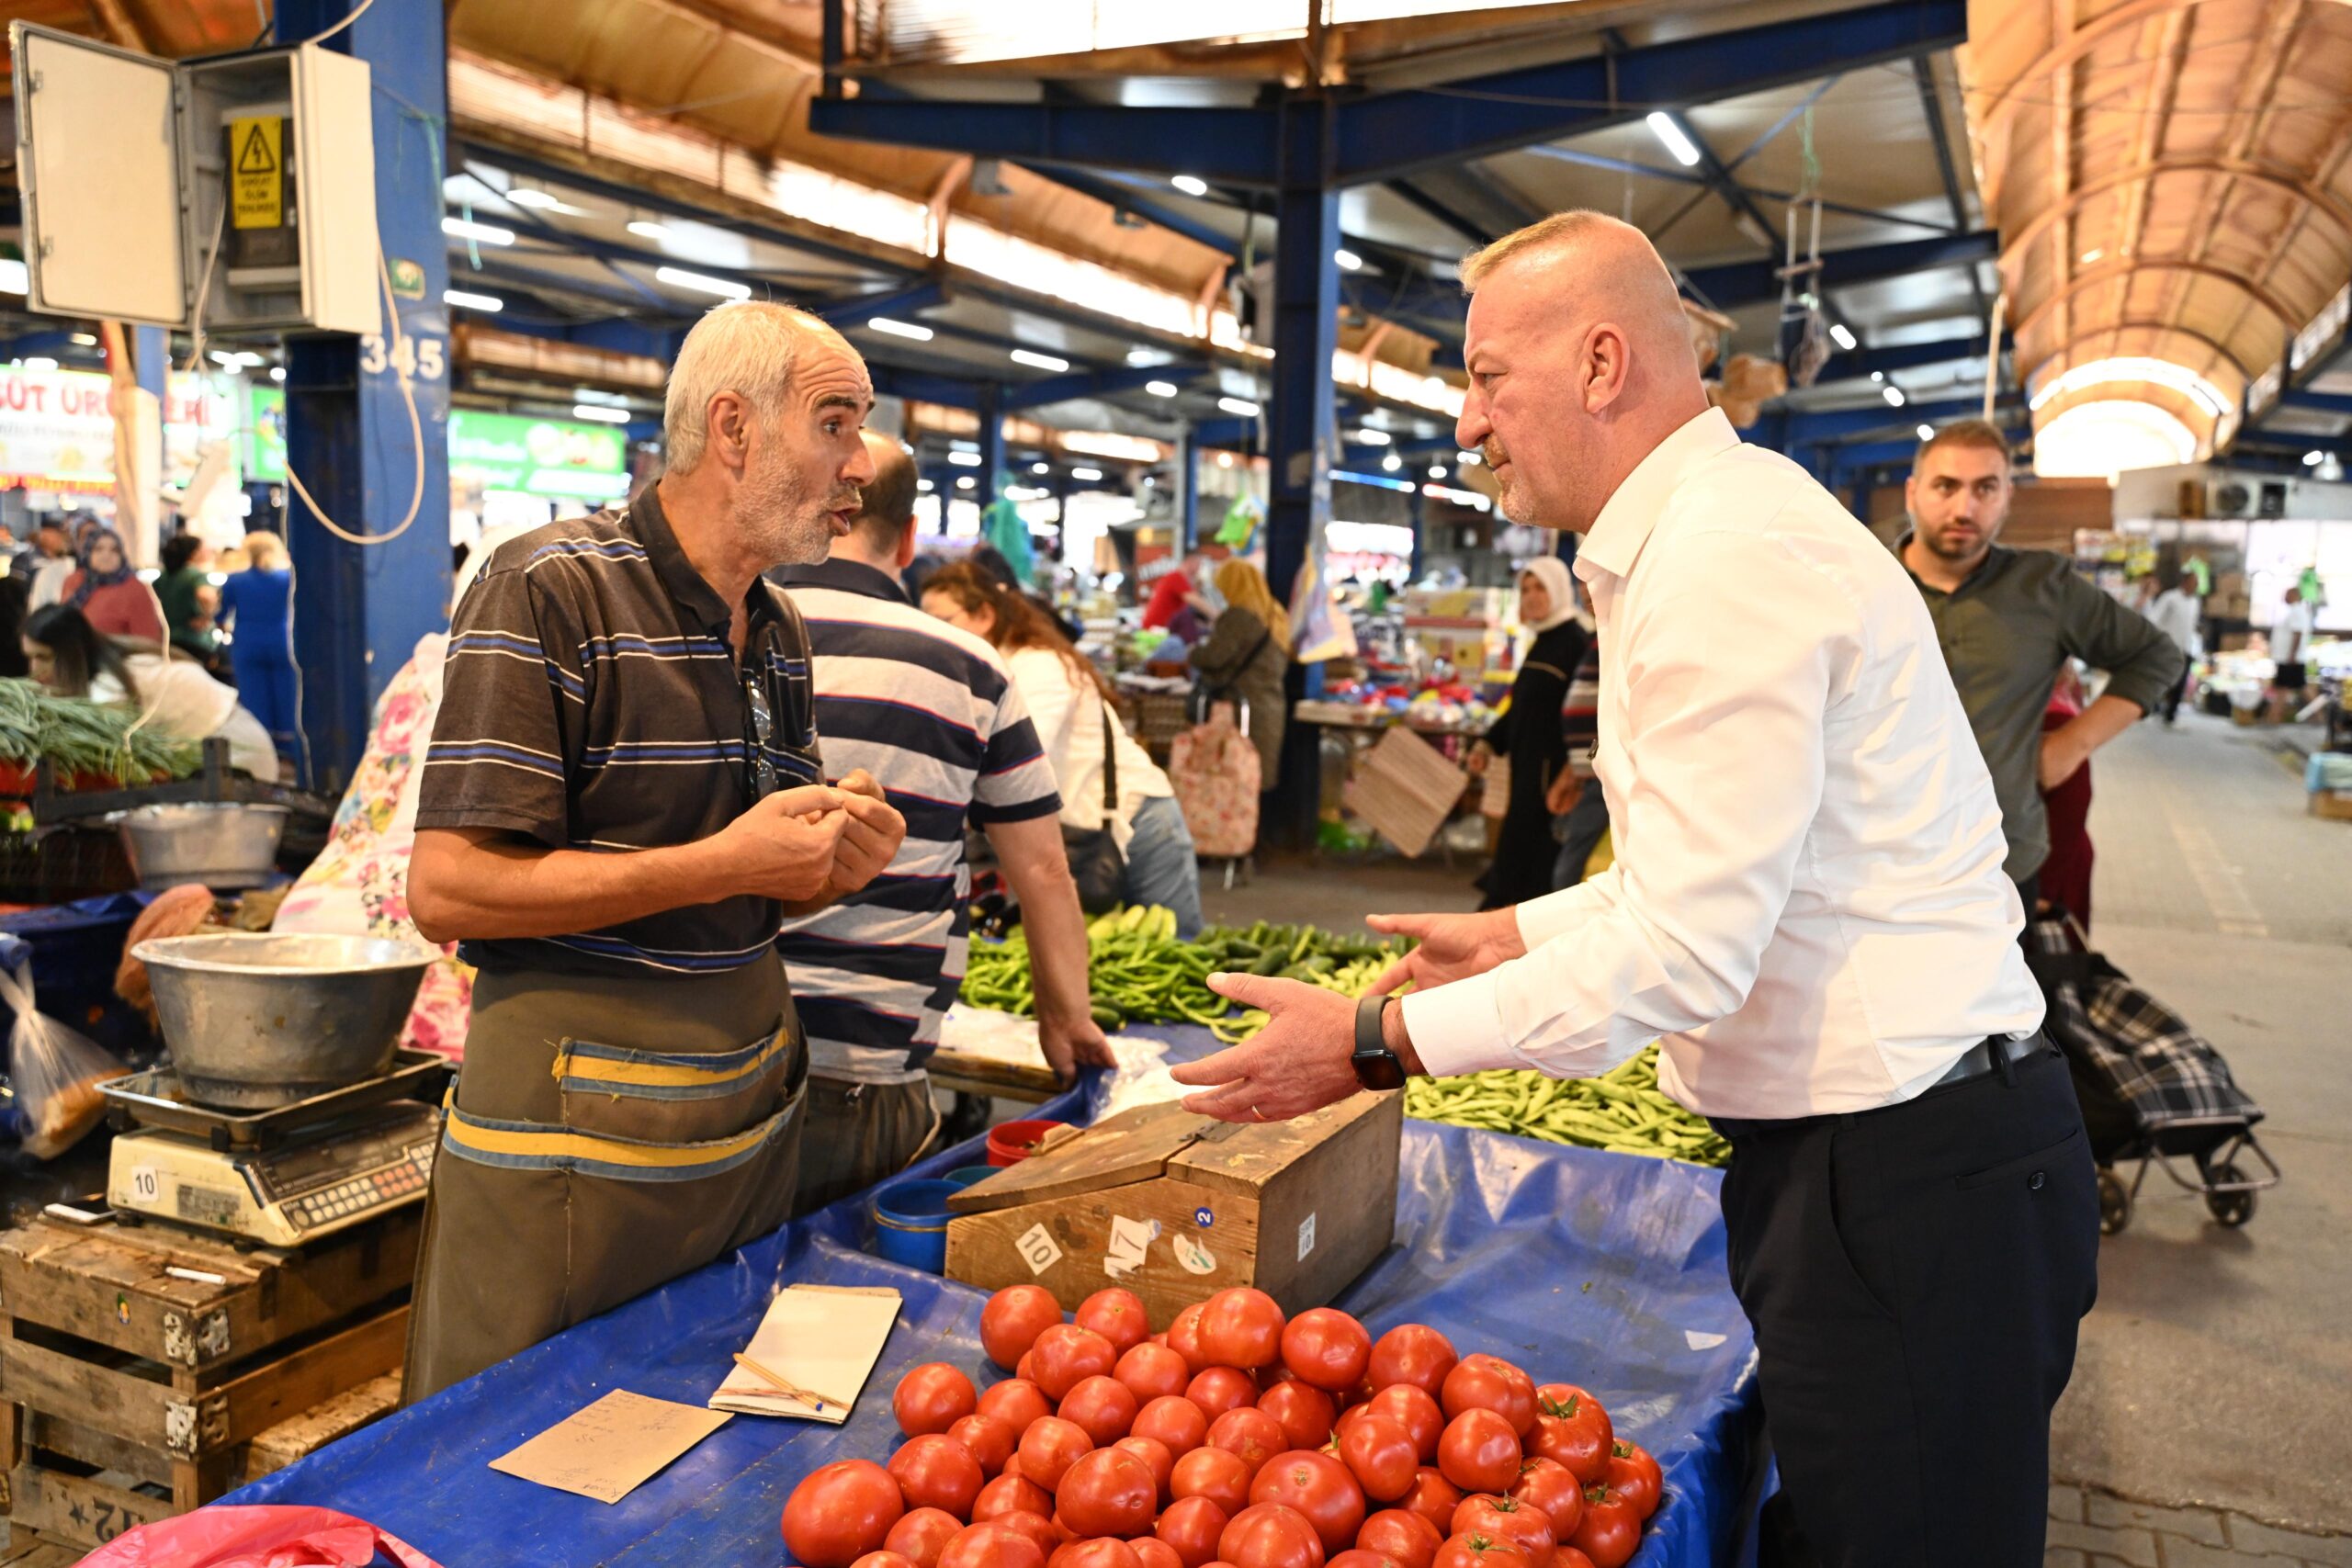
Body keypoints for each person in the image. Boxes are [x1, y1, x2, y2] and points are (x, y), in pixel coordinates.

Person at [1167, 211, 2095, 1568]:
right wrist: (1516, 928)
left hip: (1909, 1172)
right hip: (1892, 1154)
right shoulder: (1703, 539)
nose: (1469, 423)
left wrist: (1375, 1044)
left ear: (1604, 363)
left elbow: (1692, 946)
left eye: (1489, 378)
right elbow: (1713, 877)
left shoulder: (1724, 560)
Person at [403, 302, 907, 1399]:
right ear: (732, 428)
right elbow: (447, 888)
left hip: (739, 1127)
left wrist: (827, 870)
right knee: (519, 1458)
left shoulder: (775, 629)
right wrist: (724, 862)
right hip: (577, 1145)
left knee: (689, 1468)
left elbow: (738, 890)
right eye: (834, 423)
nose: (859, 464)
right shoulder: (547, 588)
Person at [773, 432, 1111, 1215]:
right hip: (863, 1070)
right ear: (912, 533)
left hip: (708, 1047)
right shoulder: (967, 666)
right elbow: (1041, 870)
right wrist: (1064, 1017)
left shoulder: (712, 640)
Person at [1899, 422, 2183, 905]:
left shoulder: (2045, 588)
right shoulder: (1861, 584)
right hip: (1878, 861)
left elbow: (2156, 656)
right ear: (1913, 492)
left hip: (2000, 862)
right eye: (1945, 486)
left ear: (2007, 497)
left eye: (1985, 489)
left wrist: (2073, 744)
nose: (1964, 508)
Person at [922, 562, 1204, 937]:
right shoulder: (989, 672)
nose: (932, 634)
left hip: (1140, 823)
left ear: (985, 615)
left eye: (943, 619)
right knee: (1110, 964)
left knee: (1175, 954)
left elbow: (1014, 760)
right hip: (1084, 832)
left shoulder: (1038, 667)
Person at [21, 604, 277, 780]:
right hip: (223, 750)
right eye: (30, 658)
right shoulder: (116, 655)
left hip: (235, 756)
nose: (35, 669)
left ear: (71, 655)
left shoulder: (109, 689)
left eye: (44, 657)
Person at [1469, 558, 1588, 909]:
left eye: (1540, 588)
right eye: (1525, 590)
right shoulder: (1543, 639)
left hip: (1553, 782)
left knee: (1534, 869)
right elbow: (1523, 707)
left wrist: (1572, 773)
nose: (1532, 597)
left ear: (1559, 590)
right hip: (1527, 773)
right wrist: (1489, 743)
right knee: (1517, 860)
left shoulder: (1575, 642)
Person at [1187, 557, 1290, 794]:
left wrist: (1194, 653)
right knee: (1255, 782)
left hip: (1240, 712)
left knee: (1233, 784)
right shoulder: (1275, 614)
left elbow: (1214, 657)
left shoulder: (1239, 616)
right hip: (1270, 708)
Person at [218, 531, 298, 759]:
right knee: (286, 697)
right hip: (282, 643)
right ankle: (289, 753)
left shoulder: (235, 580)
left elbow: (221, 615)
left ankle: (260, 751)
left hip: (247, 644)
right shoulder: (286, 578)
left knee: (254, 700)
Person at [1546, 637, 1608, 890]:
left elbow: (1609, 721)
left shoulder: (1620, 630)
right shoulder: (1601, 635)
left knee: (1572, 864)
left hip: (1600, 773)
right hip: (1590, 770)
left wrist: (1590, 759)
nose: (1586, 594)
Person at [2039, 669, 2095, 930]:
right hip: (2054, 858)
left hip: (2052, 865)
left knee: (2050, 962)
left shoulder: (2053, 719)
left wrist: (2045, 891)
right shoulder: (2055, 708)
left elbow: (2070, 807)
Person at [57, 526, 166, 643]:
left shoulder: (134, 588)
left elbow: (147, 640)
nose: (106, 555)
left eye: (114, 550)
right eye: (98, 549)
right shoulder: (75, 581)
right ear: (88, 552)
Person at [2144, 570, 2201, 725]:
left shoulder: (2195, 602)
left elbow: (2193, 625)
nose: (2195, 586)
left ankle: (2171, 714)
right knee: (2160, 679)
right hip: (2168, 646)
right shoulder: (2170, 598)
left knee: (2180, 682)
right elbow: (2153, 619)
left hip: (2186, 647)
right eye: (2193, 582)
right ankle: (2152, 708)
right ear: (2184, 582)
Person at [154, 534, 220, 664]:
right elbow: (207, 596)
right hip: (193, 640)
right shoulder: (195, 575)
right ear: (194, 553)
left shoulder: (163, 577)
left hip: (167, 639)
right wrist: (207, 617)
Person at [1143, 541, 1229, 631]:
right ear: (1191, 561)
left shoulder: (1176, 577)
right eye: (1199, 563)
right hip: (1156, 631)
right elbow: (1199, 604)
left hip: (1159, 629)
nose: (1200, 567)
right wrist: (1221, 617)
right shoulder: (1177, 578)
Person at [2273, 584, 2316, 698]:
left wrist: (2292, 654)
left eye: (2287, 594)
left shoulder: (2298, 611)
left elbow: (2298, 633)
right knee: (2290, 687)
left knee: (2284, 688)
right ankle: (2274, 715)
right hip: (2288, 657)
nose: (2285, 597)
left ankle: (2274, 715)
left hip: (2290, 658)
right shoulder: (2292, 611)